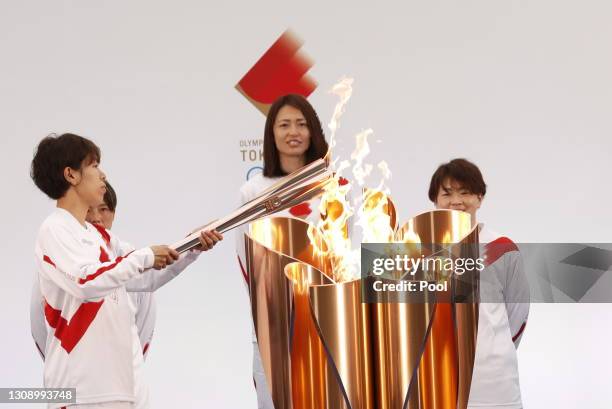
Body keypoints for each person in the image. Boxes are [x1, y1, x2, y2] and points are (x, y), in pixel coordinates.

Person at [31, 133, 222, 409]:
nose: (103, 174)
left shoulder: (101, 238)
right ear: (71, 175)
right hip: (78, 392)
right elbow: (86, 281)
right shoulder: (54, 230)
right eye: (94, 165)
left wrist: (192, 247)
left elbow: (145, 276)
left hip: (120, 388)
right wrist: (144, 256)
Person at [236, 94, 329, 408]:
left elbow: (340, 254)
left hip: (324, 318)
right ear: (271, 133)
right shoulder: (254, 191)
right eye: (285, 124)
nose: (294, 132)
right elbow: (246, 258)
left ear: (313, 131)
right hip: (273, 321)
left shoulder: (331, 186)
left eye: (302, 124)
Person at [428, 158, 530, 409]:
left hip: (493, 382)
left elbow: (518, 311)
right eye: (447, 193)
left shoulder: (501, 247)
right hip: (433, 378)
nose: (456, 201)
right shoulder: (418, 249)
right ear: (435, 200)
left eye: (466, 192)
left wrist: (495, 344)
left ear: (480, 198)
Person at [31, 182, 158, 362]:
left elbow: (144, 323)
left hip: (122, 377)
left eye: (104, 209)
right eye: (88, 210)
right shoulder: (57, 259)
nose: (96, 218)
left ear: (113, 213)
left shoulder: (133, 258)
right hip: (72, 376)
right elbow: (39, 327)